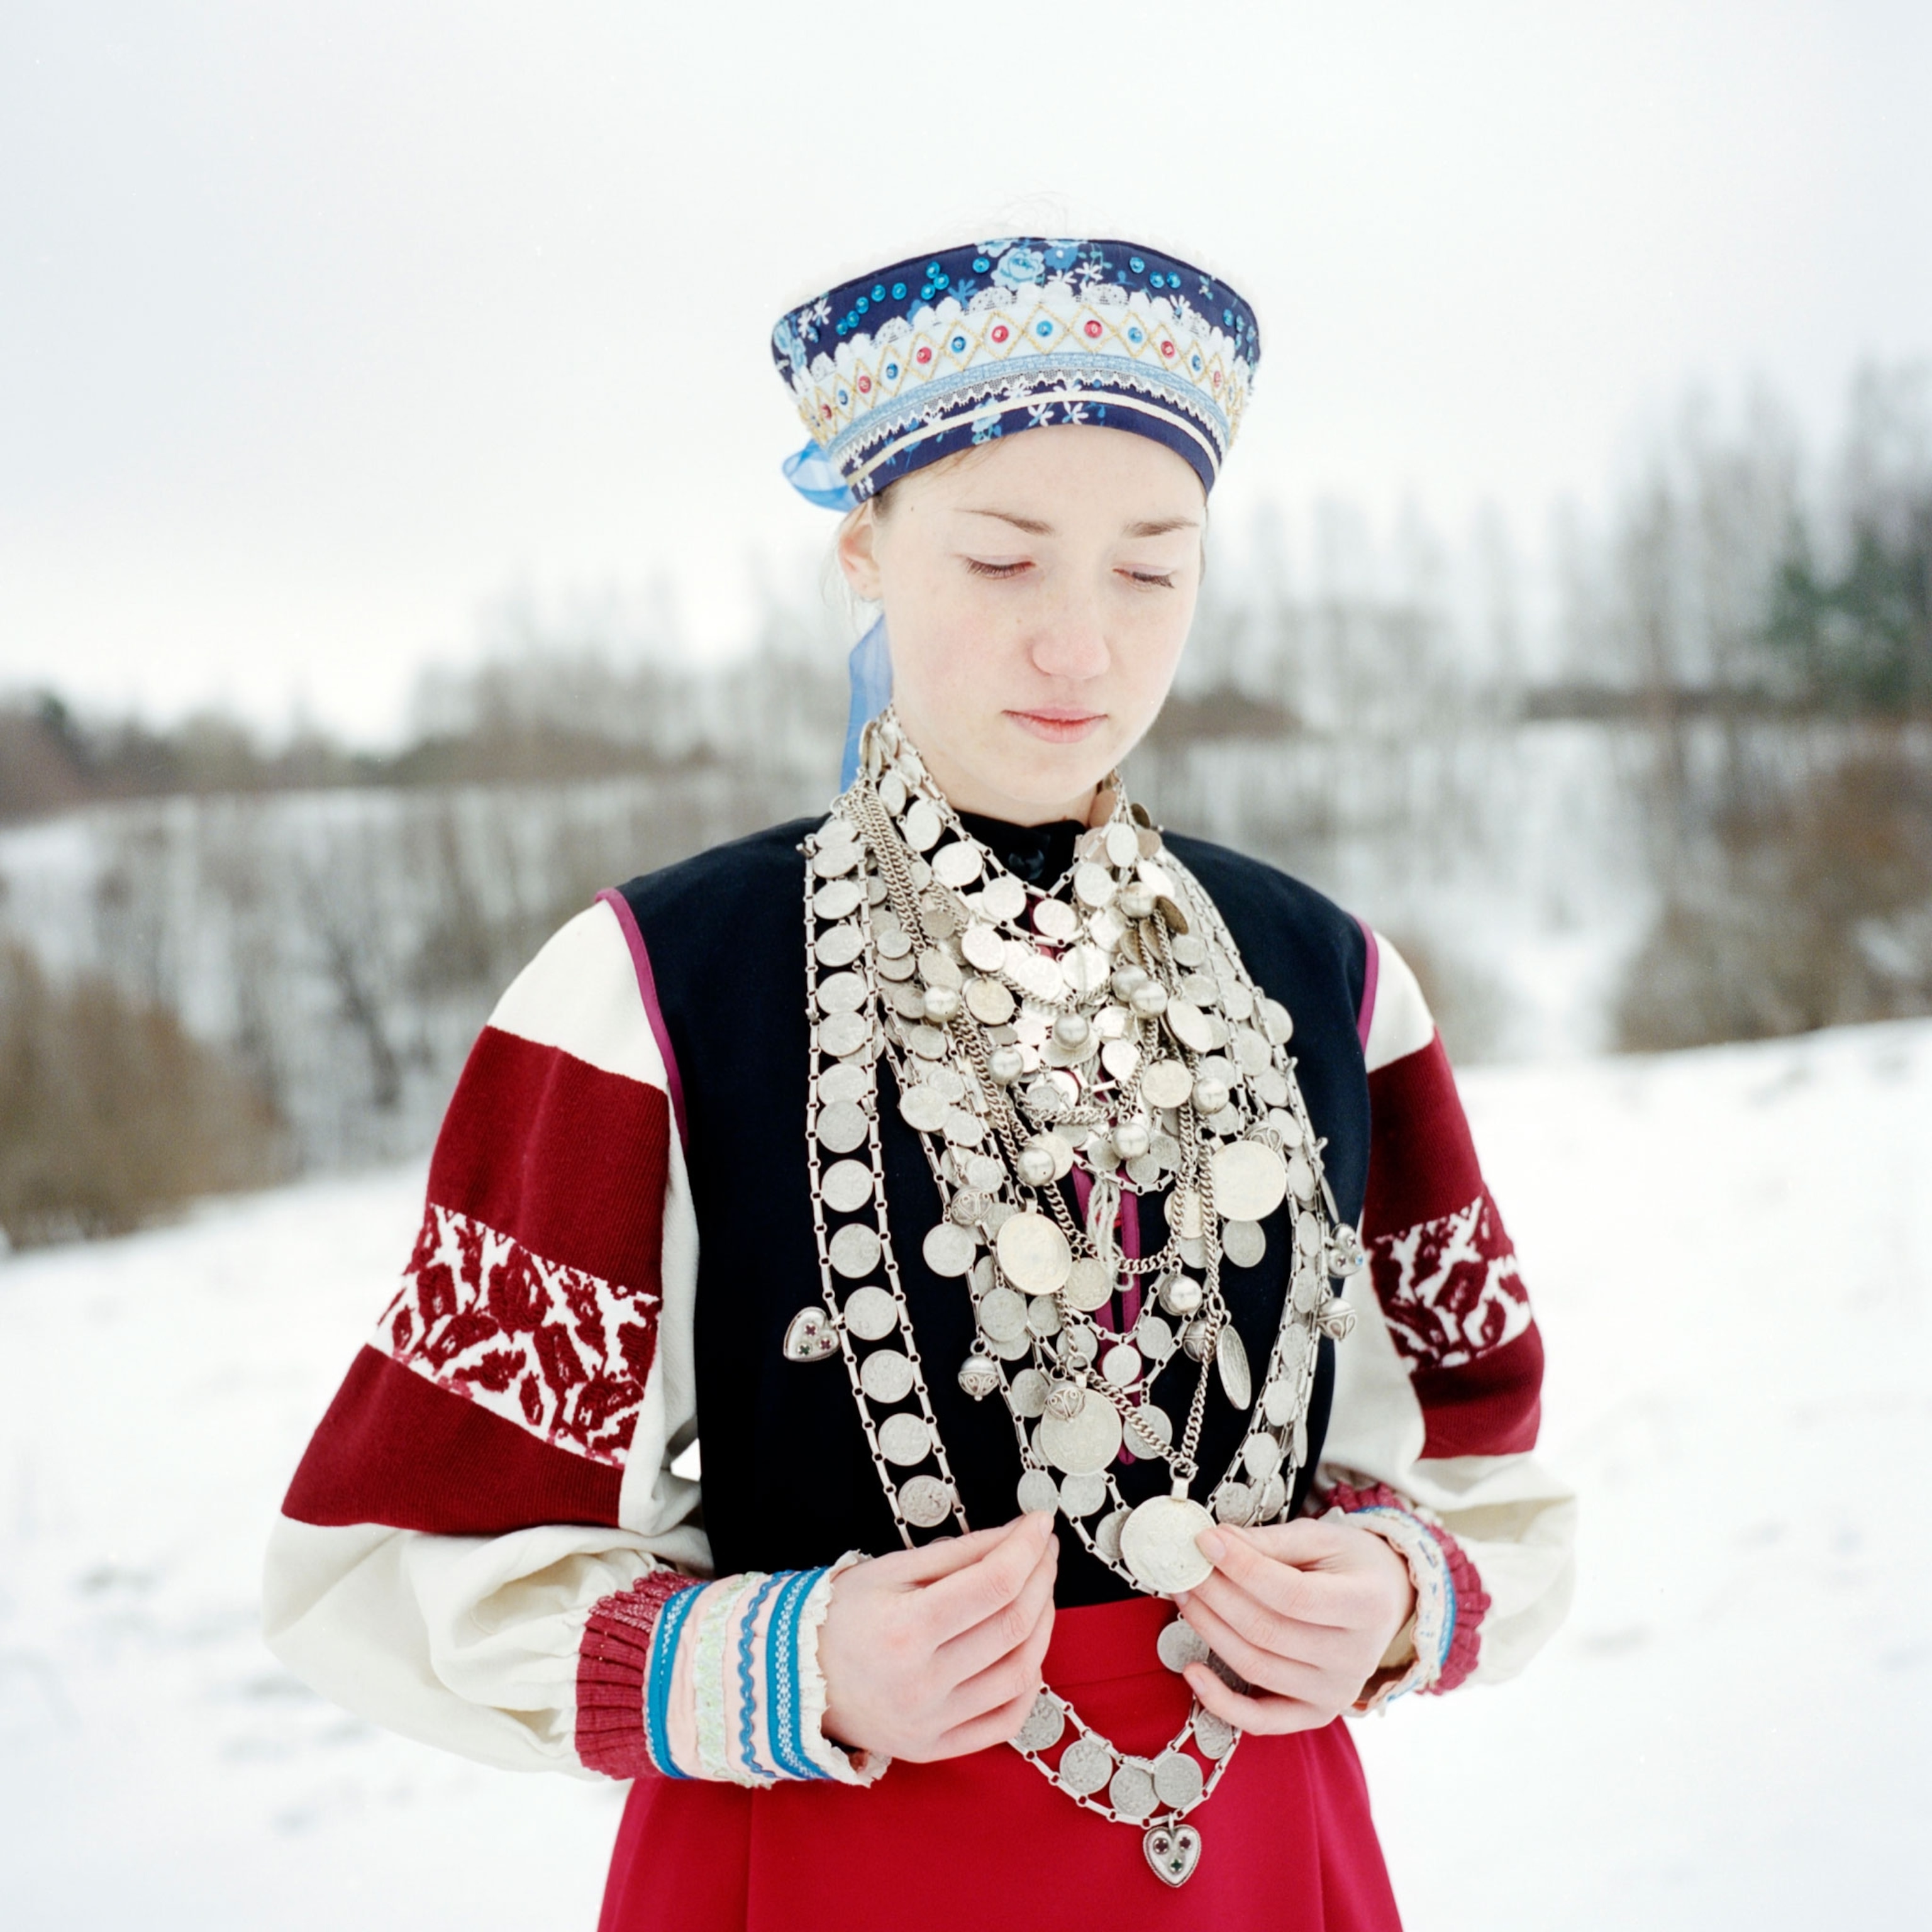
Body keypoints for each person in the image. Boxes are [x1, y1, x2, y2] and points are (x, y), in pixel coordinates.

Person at [265, 235, 1575, 1929]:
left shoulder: (1325, 976)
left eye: (1149, 571)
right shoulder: (652, 987)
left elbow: (1476, 1459)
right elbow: (390, 1556)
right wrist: (782, 1659)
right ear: (867, 548)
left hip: (1256, 1860)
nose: (1081, 652)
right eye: (1006, 560)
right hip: (829, 1861)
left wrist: (1397, 1593)